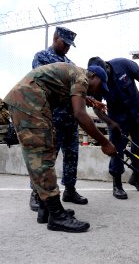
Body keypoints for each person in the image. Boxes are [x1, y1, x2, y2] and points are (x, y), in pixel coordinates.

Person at [3, 63, 117, 232]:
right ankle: (56, 216)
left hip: (27, 99)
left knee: (44, 152)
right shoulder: (82, 78)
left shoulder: (76, 76)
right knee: (41, 155)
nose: (99, 91)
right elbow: (80, 114)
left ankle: (45, 210)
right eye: (100, 86)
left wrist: (90, 100)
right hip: (30, 100)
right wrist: (105, 142)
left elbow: (70, 92)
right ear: (93, 76)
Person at [30, 26, 88, 212]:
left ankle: (70, 190)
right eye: (65, 43)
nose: (67, 48)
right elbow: (44, 83)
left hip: (70, 120)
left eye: (70, 45)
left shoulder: (69, 62)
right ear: (56, 38)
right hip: (53, 118)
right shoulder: (41, 57)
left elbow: (77, 89)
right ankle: (37, 194)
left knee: (72, 156)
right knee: (47, 159)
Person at [87, 57, 139, 200]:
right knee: (116, 150)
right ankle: (117, 185)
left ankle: (136, 177)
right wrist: (110, 122)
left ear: (107, 68)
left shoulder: (124, 64)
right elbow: (97, 109)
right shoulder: (94, 82)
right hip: (117, 119)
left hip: (137, 112)